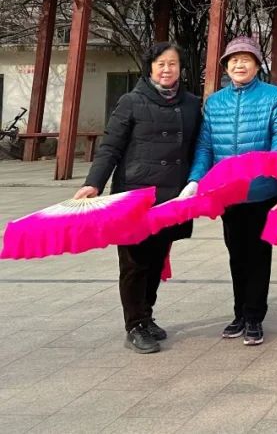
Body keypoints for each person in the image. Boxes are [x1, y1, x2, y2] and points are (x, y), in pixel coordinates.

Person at [74, 42, 201, 354]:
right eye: (161, 64)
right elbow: (111, 147)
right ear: (150, 67)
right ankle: (134, 325)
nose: (167, 69)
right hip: (135, 195)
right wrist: (94, 183)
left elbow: (198, 147)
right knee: (134, 263)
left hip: (171, 196)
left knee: (157, 260)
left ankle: (146, 315)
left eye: (172, 63)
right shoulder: (131, 101)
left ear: (180, 68)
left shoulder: (191, 104)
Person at [186, 36, 277, 346]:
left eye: (246, 59)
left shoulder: (273, 96)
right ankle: (239, 313)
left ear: (257, 65)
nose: (239, 64)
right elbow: (205, 146)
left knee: (258, 254)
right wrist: (195, 179)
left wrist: (273, 166)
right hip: (227, 192)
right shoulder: (215, 102)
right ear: (226, 66)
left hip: (261, 190)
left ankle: (255, 316)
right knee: (236, 254)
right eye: (233, 60)